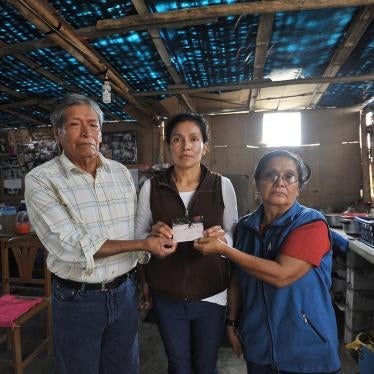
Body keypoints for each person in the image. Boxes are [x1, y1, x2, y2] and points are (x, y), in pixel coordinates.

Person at [25, 94, 177, 374]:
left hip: (125, 292)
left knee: (124, 368)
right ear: (58, 133)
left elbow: (133, 230)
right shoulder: (41, 180)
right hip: (77, 300)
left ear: (101, 131)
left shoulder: (120, 173)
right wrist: (143, 242)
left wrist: (149, 235)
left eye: (93, 125)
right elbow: (68, 245)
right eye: (75, 125)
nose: (86, 133)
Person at [194, 150, 341, 374]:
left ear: (298, 185)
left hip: (305, 348)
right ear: (258, 183)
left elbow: (281, 275)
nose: (279, 182)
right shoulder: (245, 226)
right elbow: (236, 280)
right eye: (270, 175)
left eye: (289, 176)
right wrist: (232, 323)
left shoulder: (311, 224)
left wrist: (225, 250)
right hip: (259, 346)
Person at [135, 113, 238, 374]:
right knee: (178, 365)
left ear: (205, 145)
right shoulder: (151, 187)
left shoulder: (221, 185)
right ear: (168, 145)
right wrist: (151, 238)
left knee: (206, 366)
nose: (186, 146)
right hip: (167, 294)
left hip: (212, 294)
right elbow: (138, 241)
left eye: (194, 139)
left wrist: (222, 239)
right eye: (177, 139)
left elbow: (233, 238)